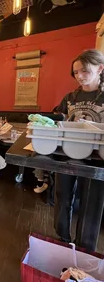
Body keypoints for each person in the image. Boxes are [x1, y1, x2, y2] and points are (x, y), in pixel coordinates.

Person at [54, 49, 104, 251]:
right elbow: (60, 119)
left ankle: (85, 249)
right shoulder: (70, 97)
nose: (80, 76)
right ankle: (61, 239)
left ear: (100, 68)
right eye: (75, 72)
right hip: (69, 152)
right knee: (62, 195)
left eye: (84, 70)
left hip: (98, 157)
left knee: (91, 203)